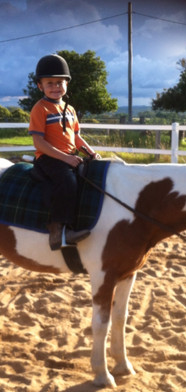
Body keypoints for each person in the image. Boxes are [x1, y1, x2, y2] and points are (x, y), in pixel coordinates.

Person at [29, 54, 97, 250]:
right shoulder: (40, 109)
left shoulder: (70, 110)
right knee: (67, 180)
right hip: (49, 157)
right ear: (40, 86)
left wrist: (91, 153)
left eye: (59, 82)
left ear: (66, 84)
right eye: (49, 83)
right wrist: (66, 158)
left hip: (68, 156)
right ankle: (58, 228)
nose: (55, 87)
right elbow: (38, 142)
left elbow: (76, 137)